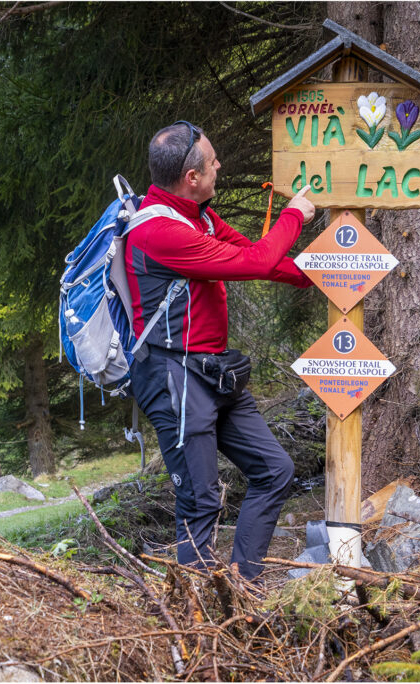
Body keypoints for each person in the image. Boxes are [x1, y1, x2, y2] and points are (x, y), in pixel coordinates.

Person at [124, 120, 316, 580]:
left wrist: (326, 272)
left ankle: (241, 587)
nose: (220, 167)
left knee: (275, 470)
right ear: (192, 178)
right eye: (213, 163)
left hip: (213, 371)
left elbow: (256, 256)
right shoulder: (158, 232)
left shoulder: (200, 216)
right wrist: (295, 214)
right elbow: (255, 261)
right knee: (200, 498)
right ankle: (197, 617)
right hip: (173, 376)